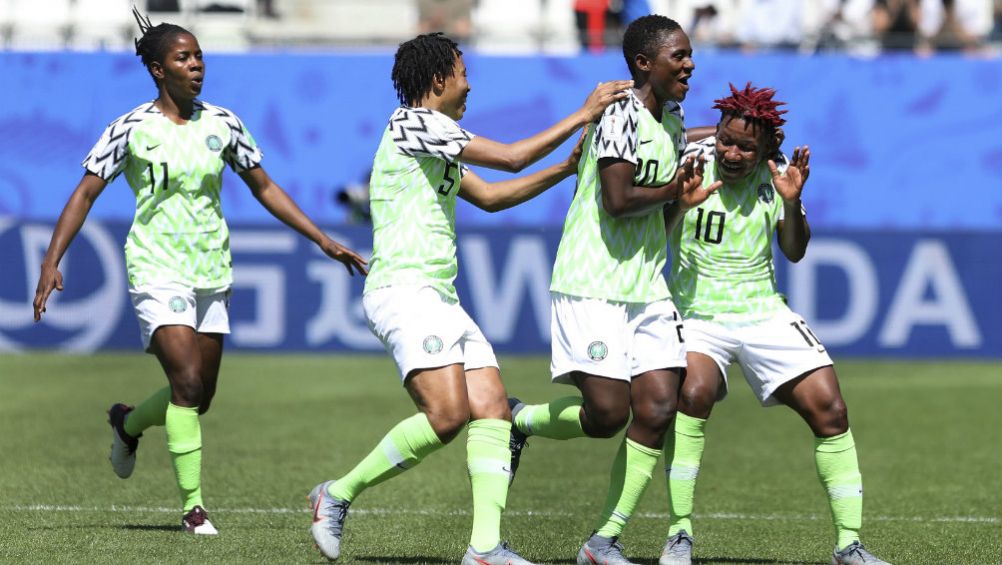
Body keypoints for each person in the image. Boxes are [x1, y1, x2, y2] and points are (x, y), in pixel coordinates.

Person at [31, 8, 368, 535]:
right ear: (158, 70)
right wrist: (52, 260)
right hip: (156, 266)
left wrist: (323, 239)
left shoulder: (224, 123)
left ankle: (127, 422)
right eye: (183, 57)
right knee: (185, 381)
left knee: (198, 397)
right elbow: (86, 192)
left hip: (212, 267)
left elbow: (265, 187)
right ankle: (193, 508)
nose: (196, 65)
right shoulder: (131, 128)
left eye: (198, 55)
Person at [307, 32, 633, 565]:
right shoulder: (411, 123)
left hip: (439, 297)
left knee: (493, 411)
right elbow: (508, 159)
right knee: (447, 415)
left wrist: (565, 169)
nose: (469, 83)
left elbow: (492, 196)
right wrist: (582, 113)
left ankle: (484, 549)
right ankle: (336, 494)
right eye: (462, 72)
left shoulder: (435, 139)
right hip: (404, 292)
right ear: (439, 80)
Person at [506, 15, 719, 565]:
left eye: (690, 54)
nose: (690, 64)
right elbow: (617, 200)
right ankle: (518, 419)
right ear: (645, 63)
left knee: (658, 407)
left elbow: (674, 171)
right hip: (592, 283)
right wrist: (678, 185)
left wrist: (729, 135)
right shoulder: (618, 114)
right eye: (680, 56)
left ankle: (604, 541)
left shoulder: (670, 116)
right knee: (607, 416)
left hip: (647, 286)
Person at [658, 83, 891, 565]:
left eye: (746, 146)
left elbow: (795, 250)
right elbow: (656, 222)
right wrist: (679, 203)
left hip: (763, 309)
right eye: (726, 139)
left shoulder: (780, 174)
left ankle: (849, 545)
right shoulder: (691, 159)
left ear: (768, 148)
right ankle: (679, 534)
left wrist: (790, 202)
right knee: (693, 393)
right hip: (697, 311)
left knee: (832, 409)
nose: (732, 152)